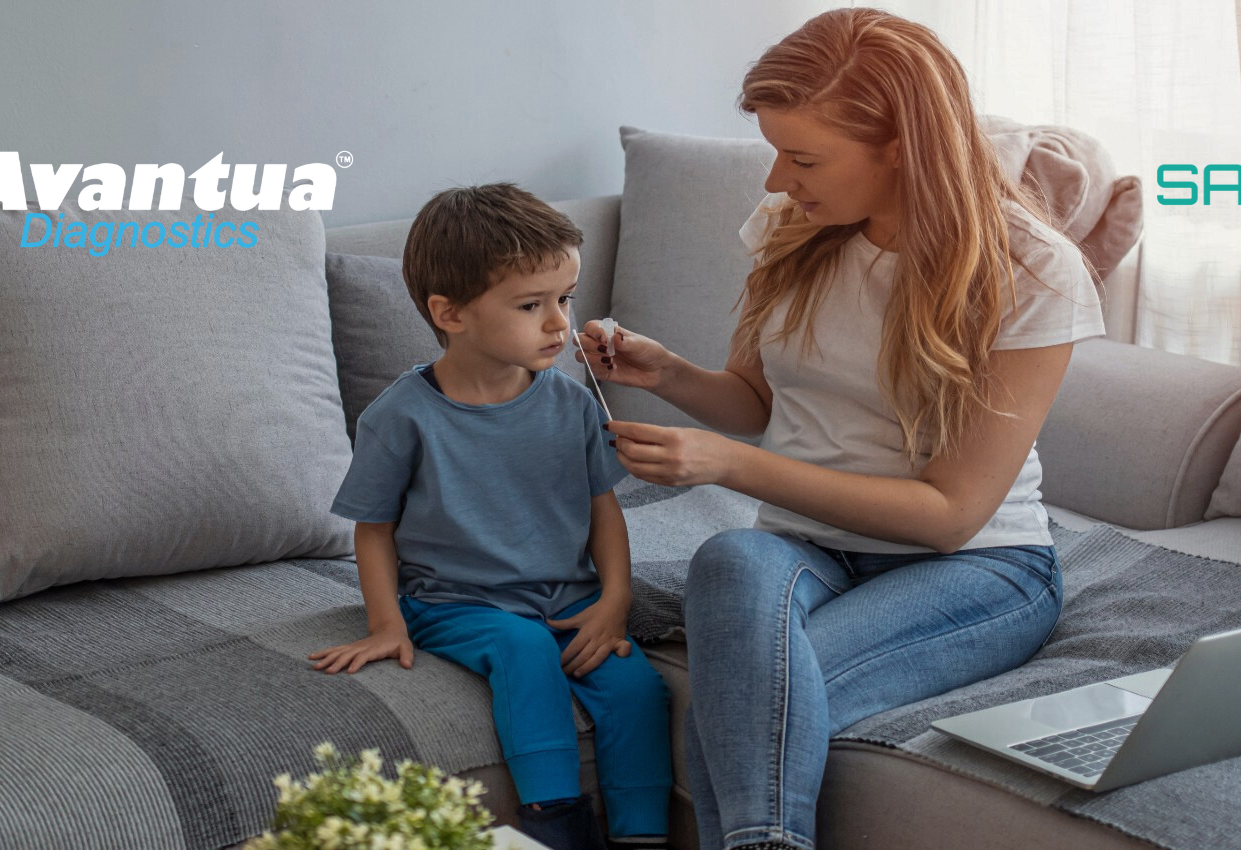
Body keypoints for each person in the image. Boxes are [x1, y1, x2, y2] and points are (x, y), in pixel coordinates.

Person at [576, 9, 1106, 850]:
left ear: (900, 143)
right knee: (731, 559)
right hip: (805, 547)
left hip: (974, 567)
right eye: (777, 151)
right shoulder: (793, 231)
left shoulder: (1031, 269)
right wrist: (668, 375)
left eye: (804, 156)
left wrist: (728, 468)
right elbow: (754, 401)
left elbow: (950, 513)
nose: (777, 181)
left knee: (751, 693)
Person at [310, 183, 671, 850]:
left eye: (565, 298)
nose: (561, 323)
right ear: (450, 313)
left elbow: (603, 508)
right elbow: (374, 528)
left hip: (566, 597)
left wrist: (614, 599)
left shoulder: (571, 404)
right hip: (454, 602)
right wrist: (387, 623)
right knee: (522, 647)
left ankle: (643, 835)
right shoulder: (400, 416)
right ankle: (555, 821)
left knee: (636, 688)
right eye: (532, 305)